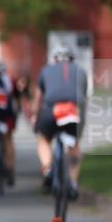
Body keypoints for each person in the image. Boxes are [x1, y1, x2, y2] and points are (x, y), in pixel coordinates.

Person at [30, 46, 88, 200]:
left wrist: (34, 116)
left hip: (52, 110)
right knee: (74, 146)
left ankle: (47, 169)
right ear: (72, 60)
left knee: (44, 139)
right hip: (73, 111)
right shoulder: (81, 71)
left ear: (54, 60)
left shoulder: (45, 71)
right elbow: (84, 100)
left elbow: (38, 100)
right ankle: (73, 184)